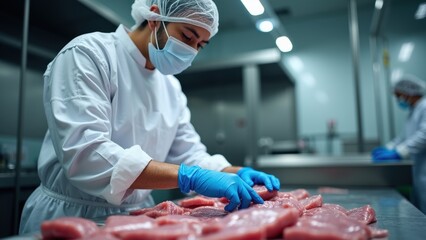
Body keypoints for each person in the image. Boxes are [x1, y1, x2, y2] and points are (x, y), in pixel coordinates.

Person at [19, 0, 280, 234]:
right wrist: (189, 177)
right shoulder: (90, 54)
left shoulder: (170, 88)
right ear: (155, 17)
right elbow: (86, 154)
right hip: (70, 214)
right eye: (188, 36)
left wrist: (234, 172)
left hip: (137, 216)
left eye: (200, 45)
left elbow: (189, 155)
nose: (192, 51)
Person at [372, 74, 426, 214]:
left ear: (409, 92)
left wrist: (399, 152)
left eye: (399, 95)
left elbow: (423, 135)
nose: (398, 99)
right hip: (419, 169)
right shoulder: (414, 111)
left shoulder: (424, 107)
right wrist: (388, 148)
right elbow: (403, 138)